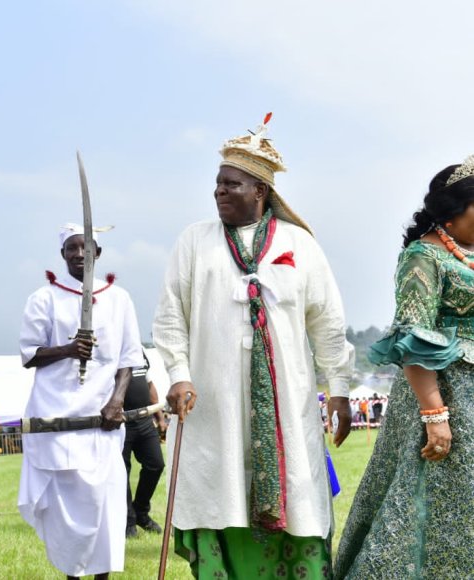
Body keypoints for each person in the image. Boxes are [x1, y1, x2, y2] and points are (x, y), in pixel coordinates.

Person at [152, 116, 354, 578]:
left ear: (260, 190)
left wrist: (339, 389)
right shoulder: (194, 241)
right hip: (212, 409)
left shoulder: (299, 244)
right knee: (218, 495)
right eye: (217, 183)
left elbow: (328, 325)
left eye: (232, 184)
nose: (220, 191)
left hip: (289, 407)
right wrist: (179, 373)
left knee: (297, 499)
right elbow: (170, 318)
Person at [335, 158, 474, 578]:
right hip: (442, 399)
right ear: (456, 208)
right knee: (429, 502)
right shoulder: (422, 256)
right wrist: (435, 415)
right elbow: (412, 338)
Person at [18, 224, 143, 579]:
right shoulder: (43, 298)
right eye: (71, 248)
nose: (78, 255)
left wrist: (116, 402)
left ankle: (101, 575)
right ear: (62, 255)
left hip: (101, 420)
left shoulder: (119, 298)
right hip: (54, 419)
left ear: (98, 254)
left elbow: (128, 359)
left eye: (85, 248)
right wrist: (68, 349)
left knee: (104, 504)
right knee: (65, 510)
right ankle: (72, 573)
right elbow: (29, 355)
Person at [121, 351, 165, 538]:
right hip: (120, 422)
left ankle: (141, 512)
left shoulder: (138, 350)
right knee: (122, 473)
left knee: (156, 464)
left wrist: (160, 416)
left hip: (145, 419)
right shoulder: (109, 348)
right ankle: (128, 522)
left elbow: (149, 384)